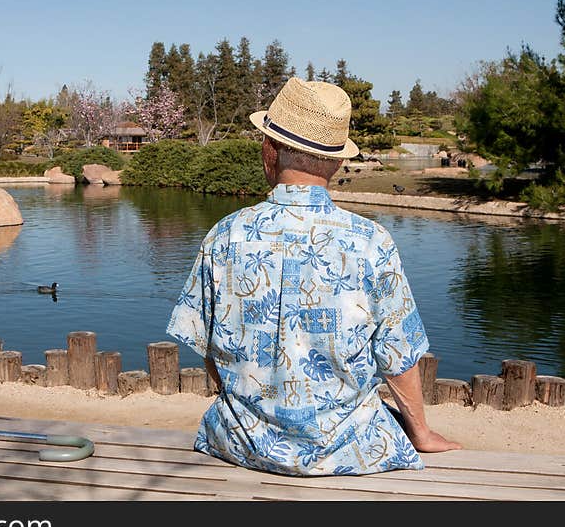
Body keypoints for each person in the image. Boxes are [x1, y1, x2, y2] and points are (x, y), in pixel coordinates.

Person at [166, 78, 461, 476]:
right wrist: (420, 432)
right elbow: (399, 354)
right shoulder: (370, 242)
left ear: (269, 150)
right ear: (338, 162)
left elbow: (206, 344)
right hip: (348, 450)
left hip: (241, 443)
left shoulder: (226, 234)